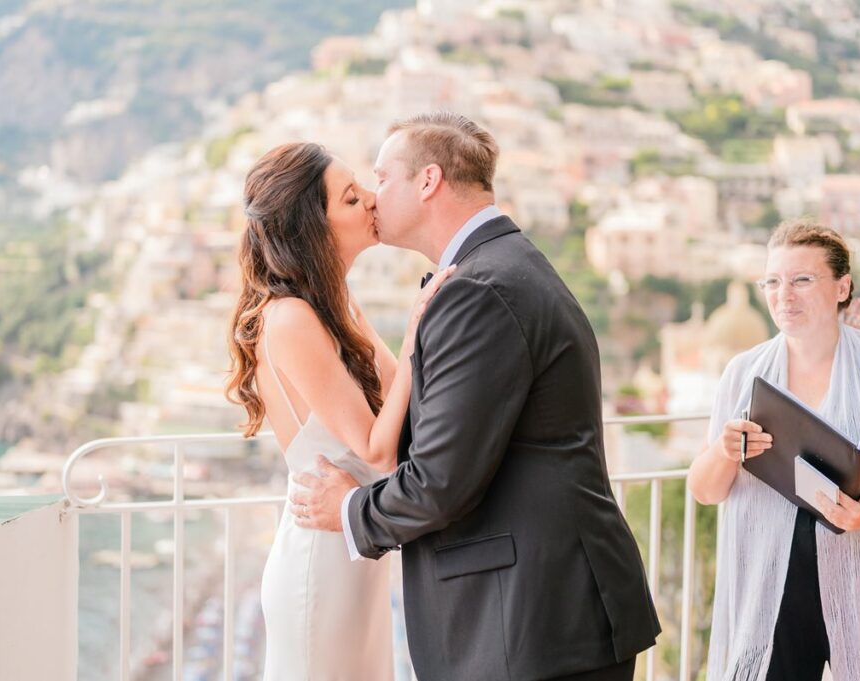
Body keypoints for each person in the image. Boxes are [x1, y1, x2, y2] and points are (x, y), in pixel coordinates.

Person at [289, 111, 660, 681]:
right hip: (546, 613)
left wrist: (346, 508)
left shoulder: (479, 291)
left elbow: (440, 480)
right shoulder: (505, 267)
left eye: (383, 177)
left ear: (429, 181)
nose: (371, 196)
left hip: (532, 622)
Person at [225, 141, 453, 680]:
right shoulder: (292, 319)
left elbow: (405, 395)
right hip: (320, 567)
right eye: (352, 199)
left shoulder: (338, 305)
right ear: (313, 228)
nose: (373, 201)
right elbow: (375, 444)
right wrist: (418, 329)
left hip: (356, 557)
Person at [687, 219, 860, 681]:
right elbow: (704, 490)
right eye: (773, 281)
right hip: (770, 585)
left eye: (802, 280)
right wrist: (725, 451)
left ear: (842, 287)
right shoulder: (741, 374)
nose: (784, 295)